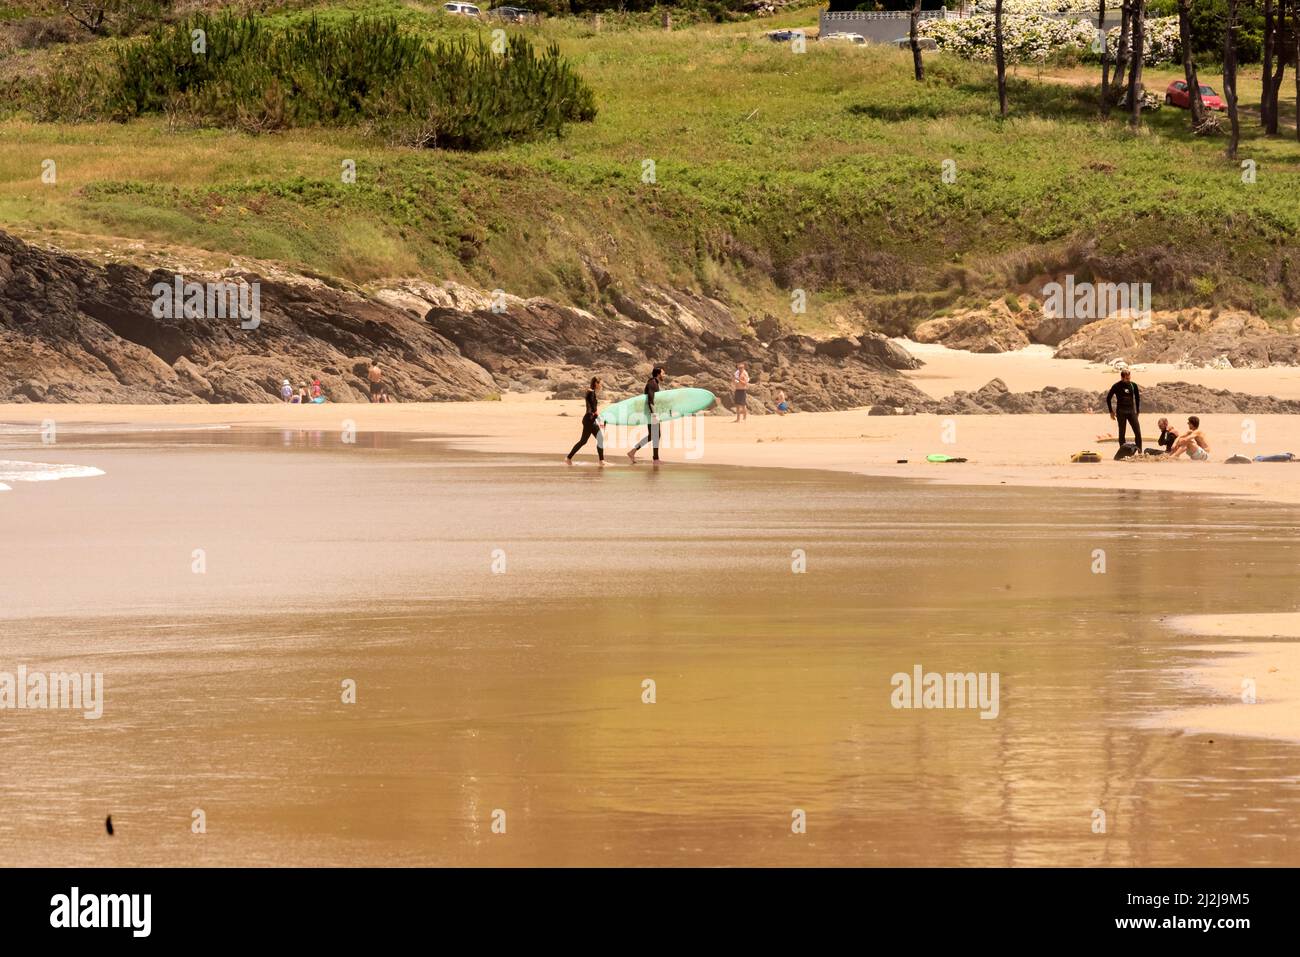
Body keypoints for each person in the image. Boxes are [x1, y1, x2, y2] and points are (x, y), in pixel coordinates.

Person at [628, 367, 665, 465]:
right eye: (663, 373)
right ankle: (655, 459)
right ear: (658, 374)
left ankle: (633, 452)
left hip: (652, 413)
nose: (664, 375)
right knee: (655, 435)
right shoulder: (652, 383)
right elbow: (650, 400)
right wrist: (654, 414)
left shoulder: (654, 383)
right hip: (651, 413)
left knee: (653, 435)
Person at [566, 377, 606, 466]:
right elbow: (593, 407)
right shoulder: (591, 392)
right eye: (600, 383)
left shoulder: (591, 392)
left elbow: (592, 407)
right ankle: (601, 461)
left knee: (583, 441)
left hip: (589, 419)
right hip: (590, 419)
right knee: (599, 438)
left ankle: (568, 458)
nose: (601, 385)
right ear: (596, 383)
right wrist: (600, 419)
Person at [1106, 369, 1142, 450]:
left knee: (1138, 432)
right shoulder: (1116, 386)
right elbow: (1108, 398)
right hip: (1121, 412)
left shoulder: (1133, 385)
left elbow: (1137, 398)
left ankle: (1140, 452)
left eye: (1129, 378)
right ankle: (1122, 452)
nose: (1129, 380)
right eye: (1127, 378)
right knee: (1122, 433)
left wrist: (1138, 411)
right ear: (1122, 377)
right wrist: (1111, 412)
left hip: (1131, 411)